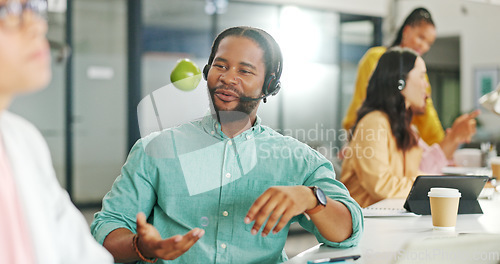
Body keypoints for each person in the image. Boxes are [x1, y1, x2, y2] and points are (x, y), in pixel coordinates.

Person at [91, 26, 363, 263]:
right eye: (220, 66)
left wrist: (311, 198)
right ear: (207, 71)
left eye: (245, 70)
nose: (228, 77)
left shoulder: (298, 159)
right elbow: (106, 229)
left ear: (269, 85)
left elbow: (348, 234)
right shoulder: (154, 149)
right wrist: (141, 246)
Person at [0, 0, 113, 263]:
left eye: (32, 8)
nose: (37, 26)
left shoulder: (23, 141)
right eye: (8, 11)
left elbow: (78, 252)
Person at [342, 7, 477, 158]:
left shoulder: (410, 134)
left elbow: (427, 119)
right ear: (406, 31)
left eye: (429, 43)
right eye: (421, 37)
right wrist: (356, 142)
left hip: (400, 144)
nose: (424, 46)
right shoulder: (375, 59)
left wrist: (447, 142)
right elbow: (361, 103)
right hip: (372, 142)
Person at [340, 47, 448, 208]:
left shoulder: (404, 126)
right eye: (421, 76)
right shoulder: (373, 123)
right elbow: (382, 186)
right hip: (366, 224)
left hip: (390, 220)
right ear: (400, 82)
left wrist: (442, 184)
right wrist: (430, 186)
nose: (426, 84)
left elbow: (409, 176)